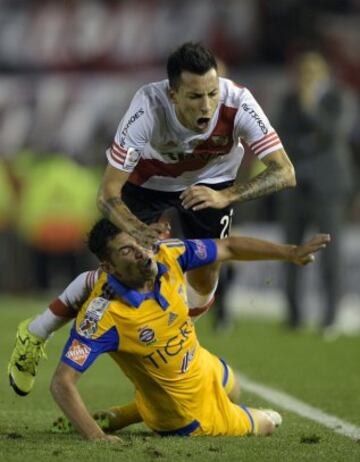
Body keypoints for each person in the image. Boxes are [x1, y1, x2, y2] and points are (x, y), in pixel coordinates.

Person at [8, 41, 296, 396]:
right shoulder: (146, 109)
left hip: (212, 185)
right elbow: (106, 194)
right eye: (194, 97)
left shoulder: (239, 103)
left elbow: (284, 172)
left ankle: (164, 347)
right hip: (147, 184)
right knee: (117, 269)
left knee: (203, 293)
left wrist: (226, 195)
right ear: (173, 94)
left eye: (211, 94)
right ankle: (36, 332)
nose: (206, 106)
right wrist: (138, 230)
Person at [47, 219, 328, 441]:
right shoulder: (103, 315)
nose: (141, 253)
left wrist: (291, 252)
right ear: (109, 267)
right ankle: (141, 413)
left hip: (199, 362)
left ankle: (132, 411)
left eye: (139, 243)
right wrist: (97, 438)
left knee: (235, 391)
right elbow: (62, 382)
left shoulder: (169, 255)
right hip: (186, 414)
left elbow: (227, 247)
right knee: (270, 421)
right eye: (126, 251)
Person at [277, 50, 354, 331]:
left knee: (330, 256)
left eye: (312, 72)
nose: (306, 78)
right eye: (302, 72)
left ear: (323, 74)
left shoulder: (336, 98)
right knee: (291, 251)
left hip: (329, 188)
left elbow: (333, 132)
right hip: (296, 188)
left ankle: (331, 317)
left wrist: (310, 107)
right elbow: (280, 138)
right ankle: (294, 316)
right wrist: (312, 140)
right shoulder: (287, 101)